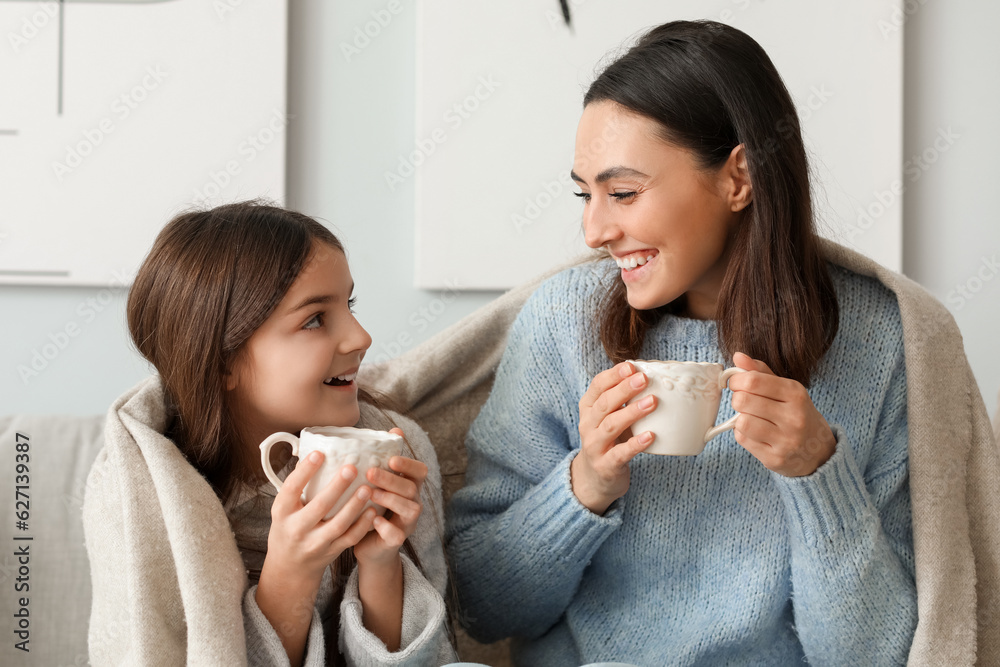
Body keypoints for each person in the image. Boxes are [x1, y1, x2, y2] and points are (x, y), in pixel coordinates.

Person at [447, 20, 919, 666]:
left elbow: (875, 654)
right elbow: (480, 606)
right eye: (585, 195)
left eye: (622, 193)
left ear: (738, 178)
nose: (593, 230)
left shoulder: (878, 338)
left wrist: (816, 472)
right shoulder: (563, 322)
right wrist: (586, 483)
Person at [83, 201, 457, 666]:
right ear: (221, 361)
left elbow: (435, 660)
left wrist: (381, 563)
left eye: (350, 305)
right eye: (315, 318)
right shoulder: (136, 494)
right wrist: (289, 575)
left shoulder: (395, 451)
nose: (361, 337)